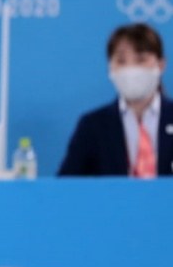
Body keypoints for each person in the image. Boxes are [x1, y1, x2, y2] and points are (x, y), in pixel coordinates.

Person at [59, 23, 172, 177]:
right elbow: (66, 186)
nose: (131, 69)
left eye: (141, 60)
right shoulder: (92, 126)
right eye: (121, 61)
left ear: (161, 65)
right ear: (110, 68)